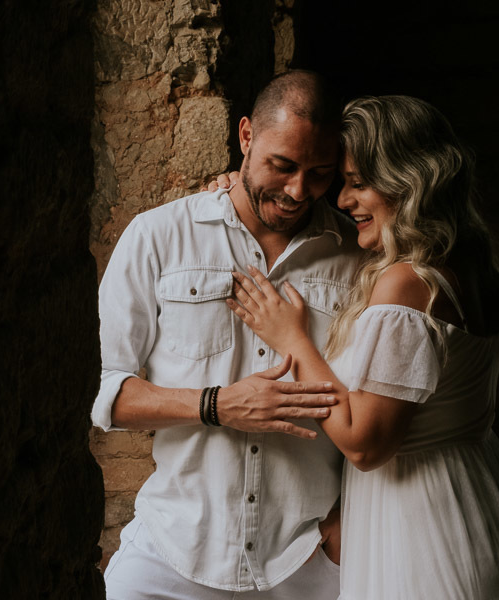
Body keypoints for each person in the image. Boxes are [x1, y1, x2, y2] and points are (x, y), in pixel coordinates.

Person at [228, 95, 499, 599]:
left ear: (409, 180)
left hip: (423, 530)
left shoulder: (406, 284)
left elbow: (364, 443)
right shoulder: (471, 270)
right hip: (481, 504)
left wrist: (292, 339)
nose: (344, 201)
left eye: (357, 184)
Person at [92, 70, 365, 599]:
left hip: (308, 560)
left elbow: (385, 402)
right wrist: (217, 404)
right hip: (172, 554)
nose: (296, 191)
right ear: (245, 136)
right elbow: (108, 392)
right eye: (282, 166)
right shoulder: (158, 237)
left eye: (319, 174)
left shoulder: (356, 258)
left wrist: (348, 516)